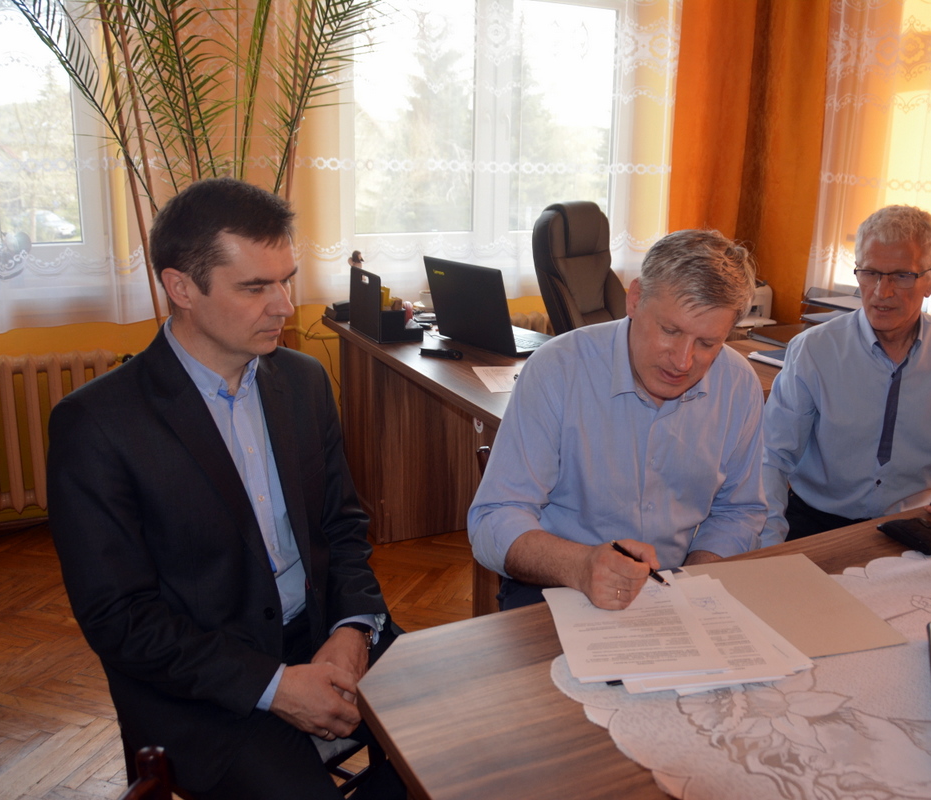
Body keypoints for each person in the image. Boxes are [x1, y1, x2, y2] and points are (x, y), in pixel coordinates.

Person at [46, 178, 403, 800]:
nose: (284, 306)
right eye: (255, 287)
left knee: (460, 746)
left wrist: (352, 630)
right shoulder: (97, 424)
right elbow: (119, 617)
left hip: (325, 629)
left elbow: (342, 526)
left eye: (286, 280)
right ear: (181, 287)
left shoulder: (304, 381)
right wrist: (274, 685)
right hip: (202, 682)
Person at [468, 229, 767, 611]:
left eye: (707, 343)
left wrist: (692, 583)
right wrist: (581, 566)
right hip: (559, 581)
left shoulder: (738, 384)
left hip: (675, 586)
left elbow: (738, 511)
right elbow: (493, 517)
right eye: (670, 331)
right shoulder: (557, 370)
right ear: (635, 299)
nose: (683, 362)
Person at [761, 204, 931, 544]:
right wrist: (768, 543)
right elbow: (772, 456)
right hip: (814, 521)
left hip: (915, 523)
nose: (881, 292)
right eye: (870, 273)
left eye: (901, 276)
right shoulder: (813, 350)